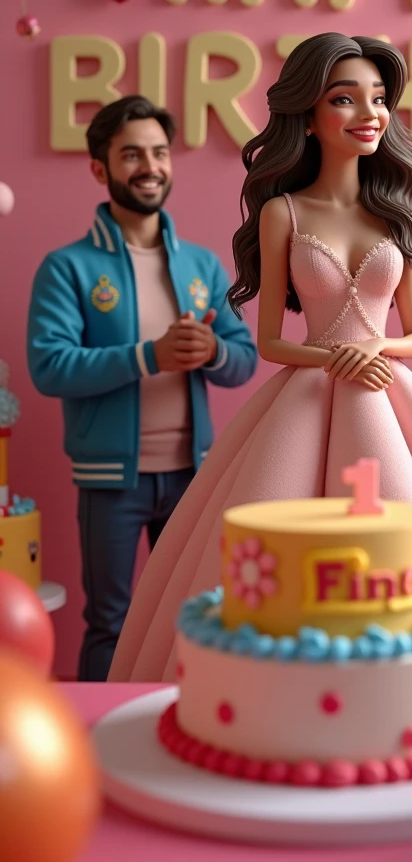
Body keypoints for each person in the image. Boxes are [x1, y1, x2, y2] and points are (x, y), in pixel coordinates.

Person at [108, 35, 412, 685]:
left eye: (380, 99)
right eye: (345, 98)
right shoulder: (282, 214)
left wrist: (375, 349)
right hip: (301, 401)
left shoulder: (395, 216)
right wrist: (334, 358)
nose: (369, 113)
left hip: (391, 396)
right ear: (308, 116)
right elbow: (271, 339)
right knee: (265, 554)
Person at [27, 95, 258, 681]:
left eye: (158, 152)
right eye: (132, 154)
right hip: (110, 480)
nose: (149, 166)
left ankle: (186, 735)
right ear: (100, 169)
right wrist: (147, 355)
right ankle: (96, 753)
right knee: (111, 620)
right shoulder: (68, 267)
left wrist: (212, 352)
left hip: (191, 474)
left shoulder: (202, 266)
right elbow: (49, 366)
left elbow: (244, 362)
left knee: (192, 618)